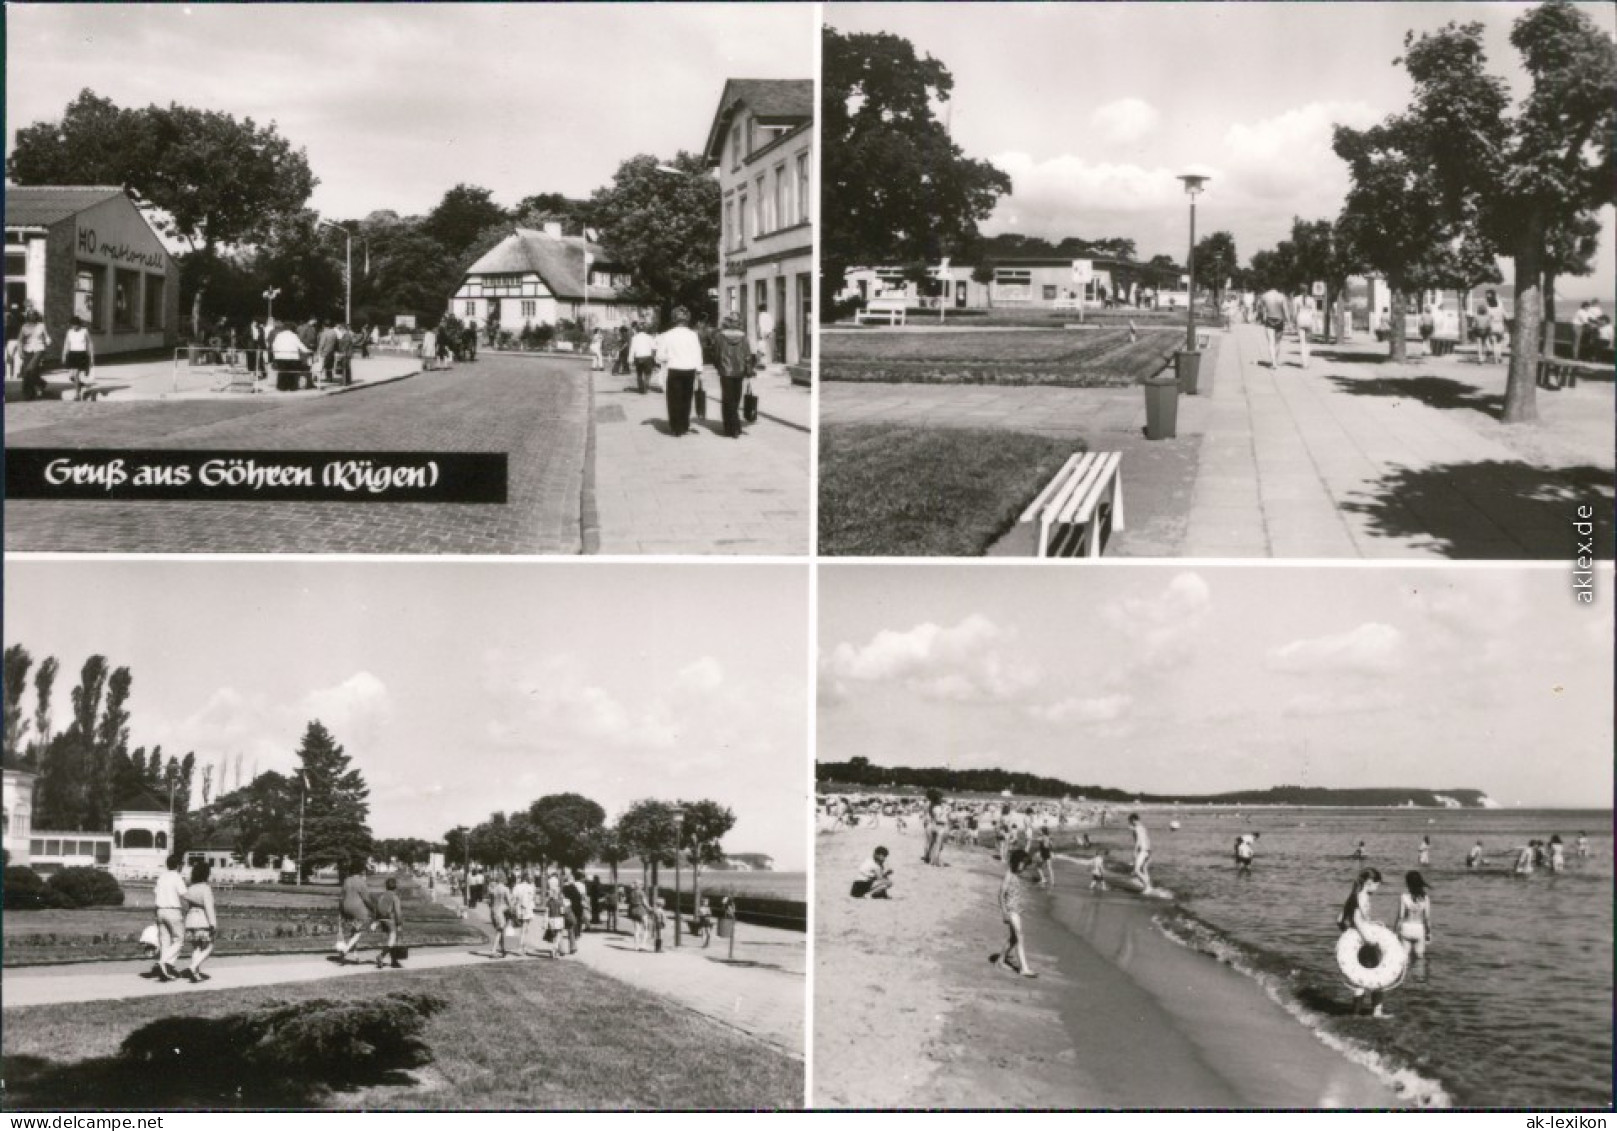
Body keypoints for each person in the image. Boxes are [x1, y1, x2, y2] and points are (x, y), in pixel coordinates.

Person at [1338, 868, 1392, 1017]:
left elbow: (1340, 919)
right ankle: (1377, 1012)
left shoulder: (1353, 896)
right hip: (1365, 942)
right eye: (1377, 884)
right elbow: (1357, 919)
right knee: (1379, 975)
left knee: (1360, 978)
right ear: (1369, 883)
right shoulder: (1362, 897)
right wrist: (1367, 938)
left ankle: (1356, 1013)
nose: (1378, 888)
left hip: (1357, 942)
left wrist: (1372, 923)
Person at [657, 307, 703, 437]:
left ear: (674, 319)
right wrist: (699, 370)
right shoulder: (692, 335)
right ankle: (684, 425)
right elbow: (697, 353)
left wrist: (669, 357)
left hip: (674, 369)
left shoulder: (667, 335)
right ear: (687, 319)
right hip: (689, 370)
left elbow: (660, 356)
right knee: (686, 398)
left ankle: (675, 427)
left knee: (673, 399)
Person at [994, 848, 1037, 978]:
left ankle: (1000, 961)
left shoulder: (1015, 875)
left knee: (1014, 939)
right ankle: (1024, 968)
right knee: (1020, 937)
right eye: (1023, 865)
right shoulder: (1008, 875)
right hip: (1011, 911)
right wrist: (1004, 912)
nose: (1024, 868)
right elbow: (1001, 894)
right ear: (1016, 862)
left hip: (1016, 910)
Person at [713, 313, 755, 439]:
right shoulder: (743, 337)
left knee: (727, 398)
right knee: (736, 398)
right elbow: (748, 355)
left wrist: (718, 366)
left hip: (725, 371)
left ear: (728, 323)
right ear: (738, 324)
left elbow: (716, 354)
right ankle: (735, 426)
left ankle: (730, 427)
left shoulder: (720, 336)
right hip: (739, 372)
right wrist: (748, 370)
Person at [178, 859, 219, 983]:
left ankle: (195, 974)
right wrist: (213, 923)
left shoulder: (190, 888)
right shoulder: (205, 888)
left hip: (190, 920)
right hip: (202, 920)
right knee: (209, 947)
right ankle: (192, 967)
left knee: (196, 948)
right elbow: (209, 907)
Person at [153, 854, 189, 982]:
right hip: (173, 911)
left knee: (165, 941)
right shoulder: (177, 877)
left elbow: (156, 894)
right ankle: (164, 962)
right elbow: (184, 894)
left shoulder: (162, 877)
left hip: (160, 910)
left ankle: (166, 968)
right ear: (179, 865)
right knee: (179, 940)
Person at [334, 860, 376, 963]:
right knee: (360, 931)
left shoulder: (346, 880)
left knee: (353, 931)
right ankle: (346, 949)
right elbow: (366, 899)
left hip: (345, 907)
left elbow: (342, 897)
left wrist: (341, 910)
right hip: (358, 909)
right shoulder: (361, 882)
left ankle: (356, 956)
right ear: (361, 871)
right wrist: (373, 908)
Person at [1395, 871, 1432, 960]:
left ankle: (1406, 973)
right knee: (1420, 957)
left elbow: (1400, 917)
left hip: (1406, 928)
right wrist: (1428, 933)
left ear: (1408, 883)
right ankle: (1419, 973)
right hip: (1419, 929)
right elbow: (1427, 918)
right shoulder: (1425, 898)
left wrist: (1395, 932)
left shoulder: (1404, 897)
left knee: (1404, 957)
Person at [17, 311, 52, 400]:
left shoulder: (41, 326)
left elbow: (46, 336)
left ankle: (30, 392)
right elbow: (20, 340)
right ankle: (37, 386)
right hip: (27, 350)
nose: (32, 318)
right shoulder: (24, 327)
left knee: (30, 369)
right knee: (27, 372)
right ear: (28, 317)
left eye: (34, 316)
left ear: (36, 317)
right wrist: (20, 351)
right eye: (30, 316)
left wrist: (48, 341)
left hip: (39, 349)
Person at [373, 876, 405, 969]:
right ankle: (381, 956)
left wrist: (377, 920)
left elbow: (377, 908)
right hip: (390, 919)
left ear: (386, 886)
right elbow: (398, 912)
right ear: (395, 887)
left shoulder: (382, 896)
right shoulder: (395, 897)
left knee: (391, 940)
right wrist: (399, 923)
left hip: (381, 919)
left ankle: (394, 961)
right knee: (392, 939)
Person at [270, 321, 312, 392]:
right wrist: (308, 351)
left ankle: (281, 387)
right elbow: (300, 345)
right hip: (292, 357)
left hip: (280, 357)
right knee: (292, 373)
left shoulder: (279, 335)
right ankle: (292, 387)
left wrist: (275, 355)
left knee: (282, 372)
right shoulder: (293, 336)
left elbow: (274, 346)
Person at [60, 316, 95, 400]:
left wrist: (91, 356)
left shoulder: (84, 331)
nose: (74, 327)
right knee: (72, 376)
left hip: (81, 354)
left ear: (79, 324)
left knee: (75, 374)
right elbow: (67, 344)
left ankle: (77, 395)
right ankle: (80, 384)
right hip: (72, 354)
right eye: (72, 325)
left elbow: (90, 344)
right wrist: (64, 355)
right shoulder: (69, 332)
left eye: (75, 325)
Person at [1257, 287, 1289, 369]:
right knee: (1277, 343)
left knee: (1271, 342)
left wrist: (1263, 315)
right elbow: (1285, 310)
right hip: (1279, 320)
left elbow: (1259, 307)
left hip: (1269, 320)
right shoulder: (1282, 296)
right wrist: (1288, 321)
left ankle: (1273, 362)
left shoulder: (1265, 296)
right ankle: (1276, 361)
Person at [511, 871, 538, 956]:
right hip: (528, 909)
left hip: (519, 908)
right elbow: (533, 898)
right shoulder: (531, 887)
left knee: (522, 928)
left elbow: (514, 898)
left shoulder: (517, 887)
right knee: (525, 928)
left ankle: (522, 946)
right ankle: (521, 947)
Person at [486, 871, 512, 957]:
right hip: (501, 912)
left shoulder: (493, 889)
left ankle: (502, 949)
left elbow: (489, 902)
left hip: (493, 911)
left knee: (500, 930)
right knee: (499, 931)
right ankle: (493, 950)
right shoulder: (505, 889)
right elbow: (509, 902)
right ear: (504, 879)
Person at [922, 789, 949, 867]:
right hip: (938, 826)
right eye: (941, 798)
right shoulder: (937, 808)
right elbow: (937, 819)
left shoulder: (931, 805)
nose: (942, 800)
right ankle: (935, 861)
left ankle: (929, 858)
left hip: (931, 825)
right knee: (938, 845)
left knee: (932, 843)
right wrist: (945, 821)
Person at [629, 322, 656, 394]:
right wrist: (654, 357)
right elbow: (654, 348)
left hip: (638, 357)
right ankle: (646, 387)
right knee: (648, 373)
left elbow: (632, 349)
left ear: (637, 330)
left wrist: (630, 359)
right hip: (647, 357)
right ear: (645, 329)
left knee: (639, 373)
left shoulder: (634, 338)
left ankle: (641, 388)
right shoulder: (649, 337)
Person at [1128, 813, 1153, 893]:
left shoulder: (1137, 828)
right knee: (1144, 869)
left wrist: (1134, 851)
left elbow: (1138, 840)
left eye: (1130, 821)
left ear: (1133, 820)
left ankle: (1147, 886)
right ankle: (1149, 886)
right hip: (1148, 850)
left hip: (1142, 850)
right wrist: (1149, 852)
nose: (1130, 823)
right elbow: (1147, 839)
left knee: (1136, 870)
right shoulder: (1142, 827)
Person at [1293, 289, 1316, 368]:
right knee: (1308, 342)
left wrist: (1294, 322)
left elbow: (1295, 312)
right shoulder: (1311, 300)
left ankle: (1304, 363)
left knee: (1302, 343)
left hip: (1300, 320)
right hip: (1309, 320)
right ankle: (1307, 361)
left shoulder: (1296, 299)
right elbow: (1314, 312)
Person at [627, 881, 649, 951]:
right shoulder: (642, 893)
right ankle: (643, 945)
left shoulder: (632, 893)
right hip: (641, 910)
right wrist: (650, 909)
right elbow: (645, 903)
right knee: (645, 928)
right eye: (641, 884)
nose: (642, 885)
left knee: (636, 929)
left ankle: (636, 946)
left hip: (634, 911)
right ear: (639, 885)